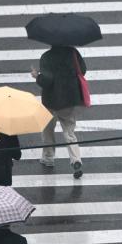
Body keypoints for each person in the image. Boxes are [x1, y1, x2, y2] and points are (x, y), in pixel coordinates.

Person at [31, 45, 87, 178]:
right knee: (69, 132)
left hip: (51, 101)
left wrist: (37, 76)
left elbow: (47, 81)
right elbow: (83, 70)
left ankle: (48, 158)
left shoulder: (47, 57)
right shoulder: (73, 52)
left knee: (48, 129)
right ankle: (76, 160)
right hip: (69, 100)